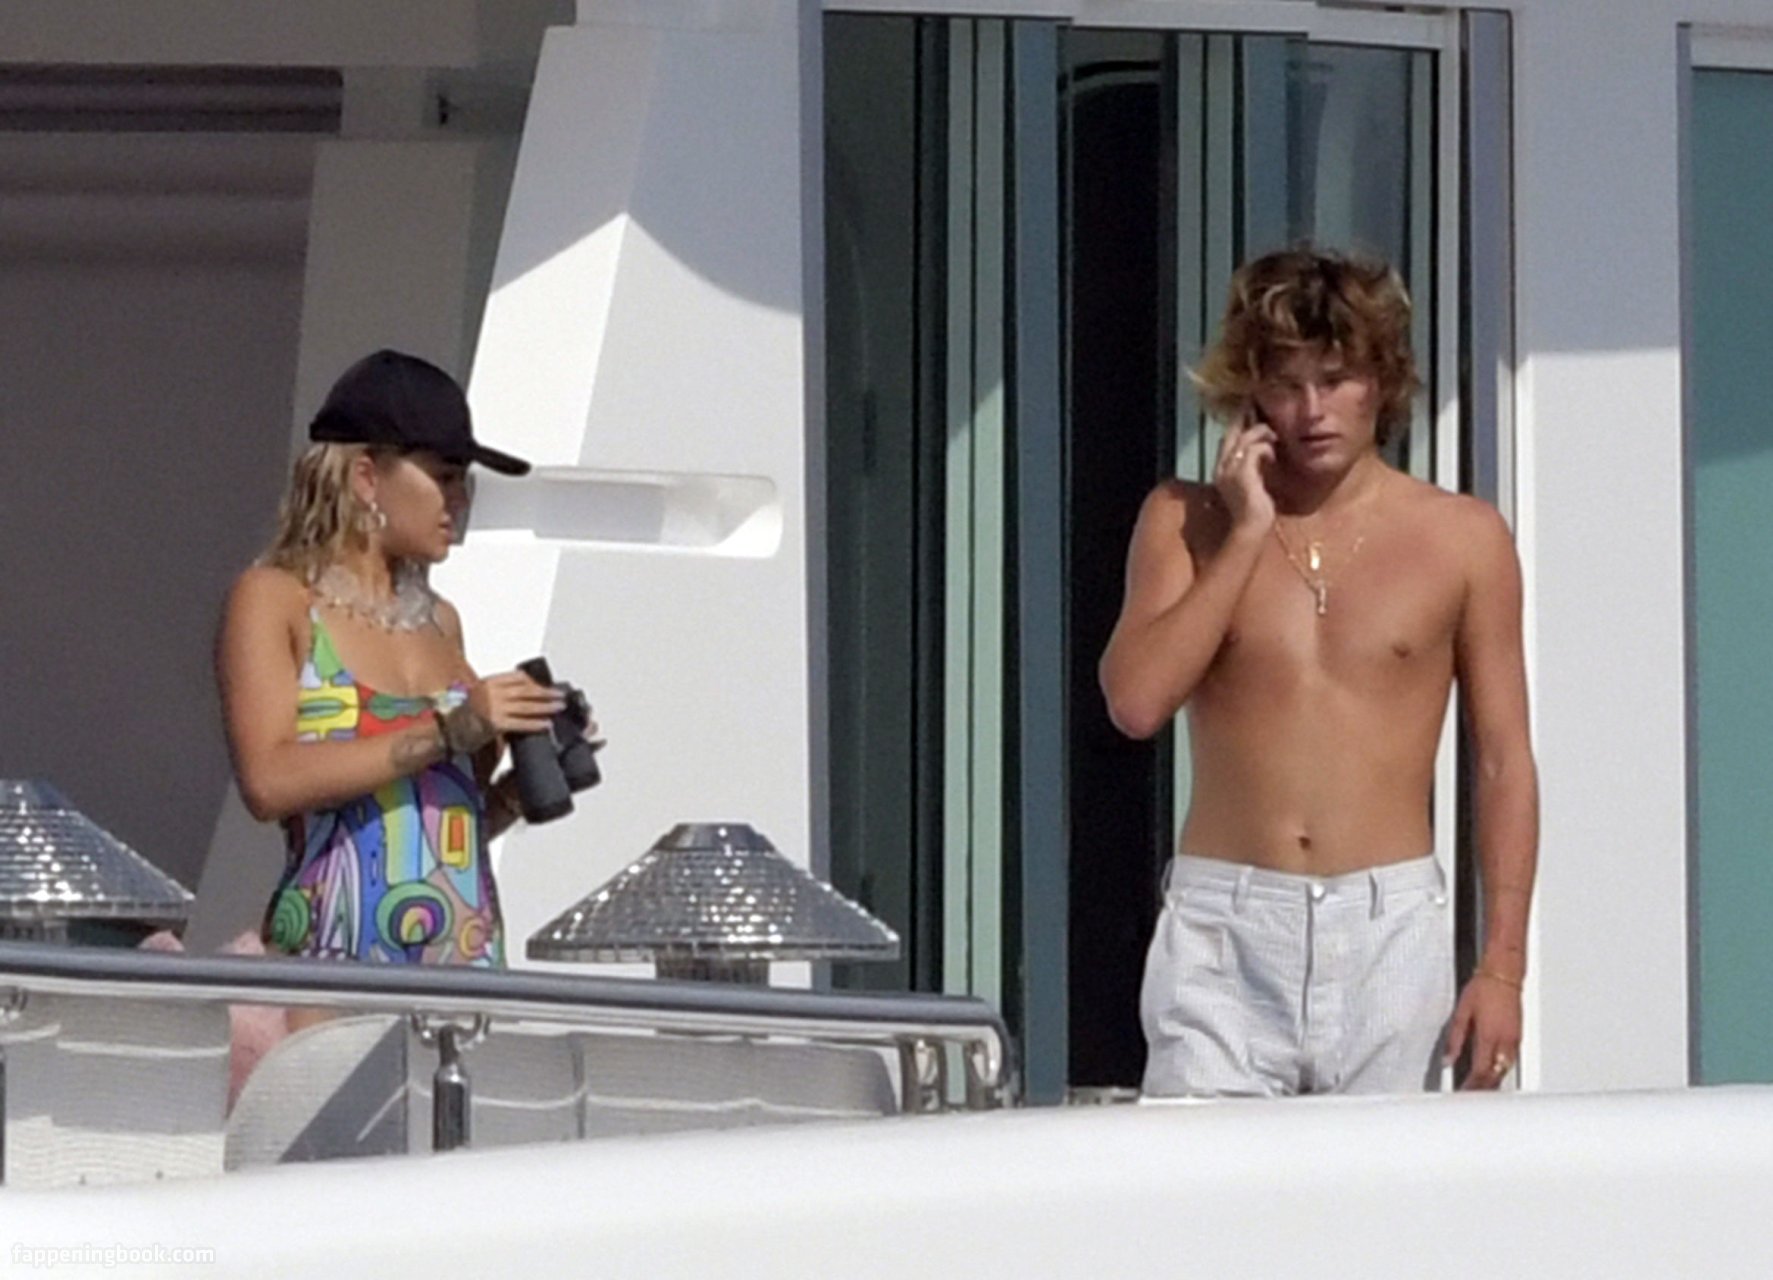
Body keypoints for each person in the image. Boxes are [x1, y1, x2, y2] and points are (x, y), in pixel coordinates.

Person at [1100, 248, 1538, 1097]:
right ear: (1249, 395)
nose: (1311, 411)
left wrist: (1502, 969)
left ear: (1381, 379)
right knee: (1202, 1177)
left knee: (1381, 1183)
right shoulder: (1184, 519)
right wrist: (1243, 535)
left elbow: (1502, 761)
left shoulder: (1461, 537)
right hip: (1225, 927)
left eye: (1335, 380)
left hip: (1388, 927)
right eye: (1285, 385)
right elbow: (1135, 703)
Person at [216, 349, 591, 970]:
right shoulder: (276, 598)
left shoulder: (441, 621)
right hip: (331, 963)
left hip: (465, 965)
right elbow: (268, 782)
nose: (459, 500)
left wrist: (515, 792)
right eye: (445, 477)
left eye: (463, 481)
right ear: (366, 478)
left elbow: (426, 839)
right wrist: (448, 731)